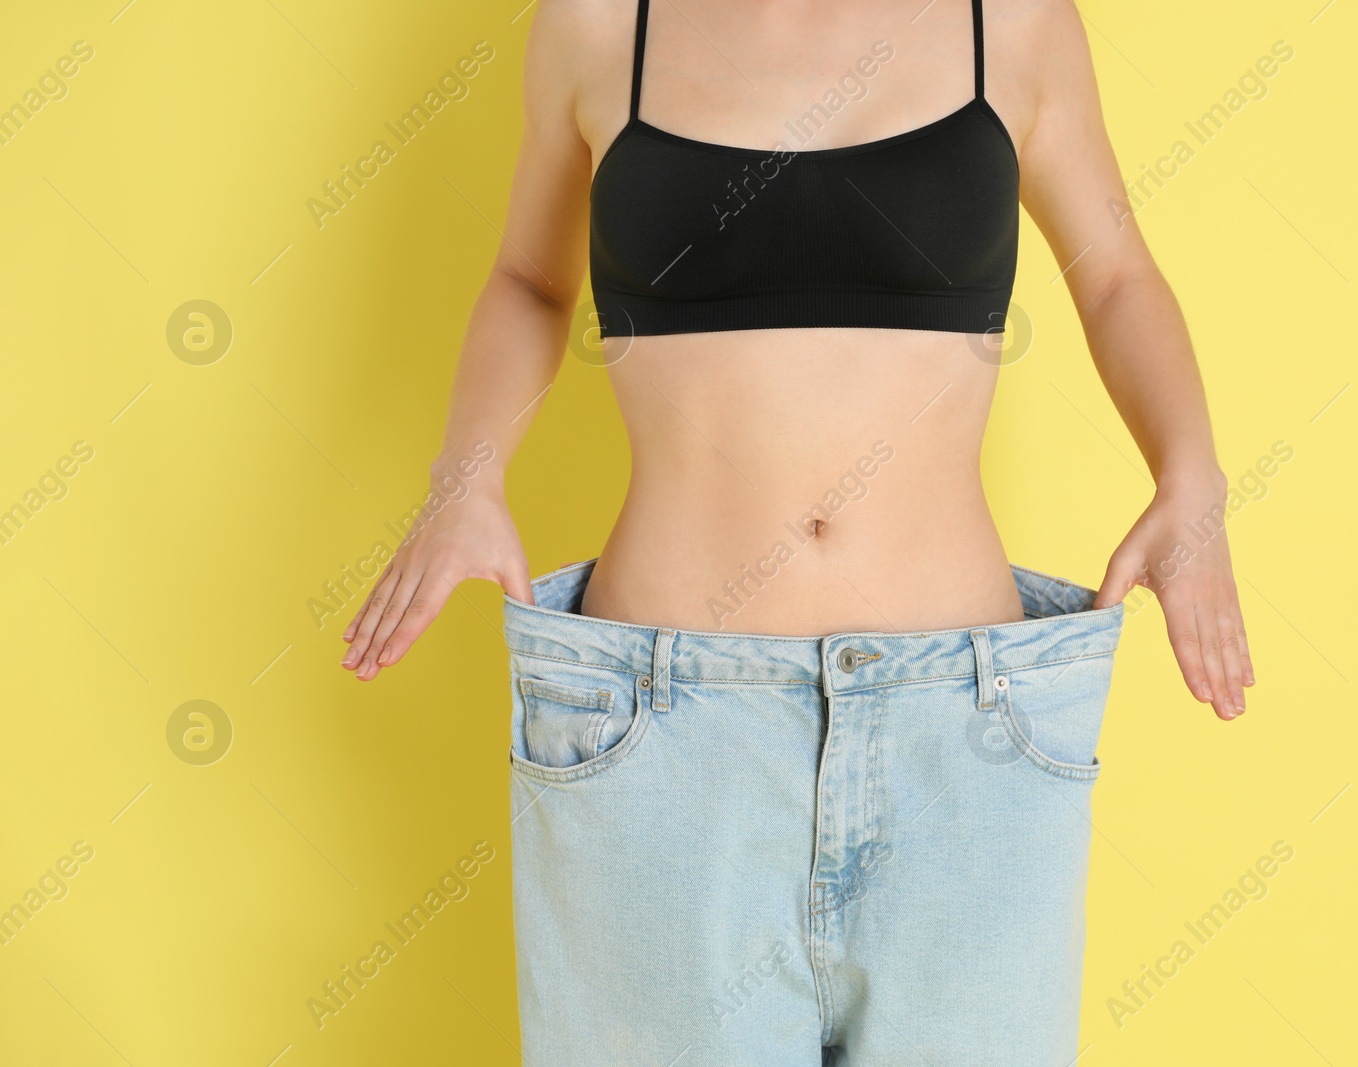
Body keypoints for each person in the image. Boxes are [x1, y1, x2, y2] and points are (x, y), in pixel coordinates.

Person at [341, 0, 1252, 1060]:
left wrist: (1191, 477)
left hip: (962, 732)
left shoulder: (1009, 22)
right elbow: (529, 281)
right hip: (661, 730)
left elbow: (1116, 274)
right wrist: (467, 475)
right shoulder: (596, 26)